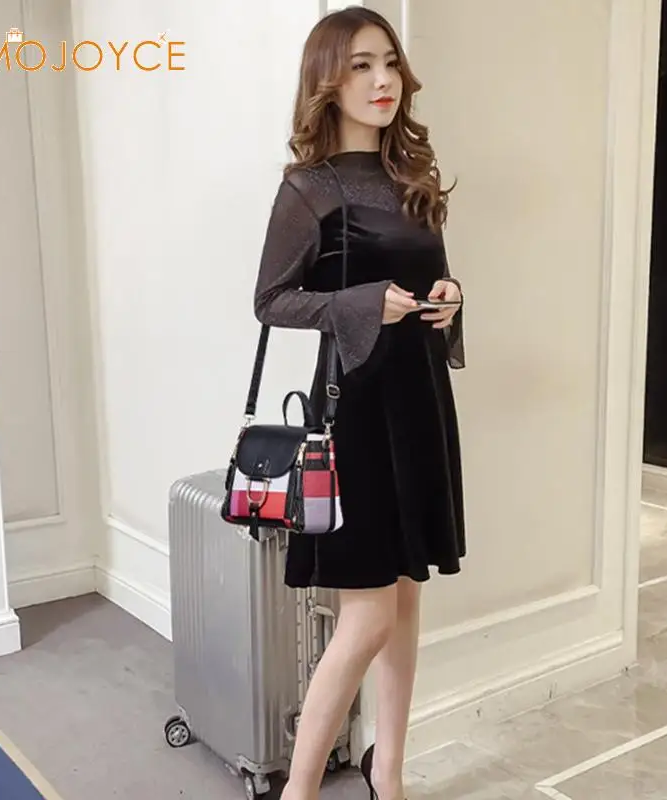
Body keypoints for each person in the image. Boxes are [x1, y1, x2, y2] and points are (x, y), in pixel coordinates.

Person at [253, 7, 466, 800]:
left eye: (389, 63)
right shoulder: (309, 190)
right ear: (328, 83)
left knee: (405, 599)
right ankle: (300, 792)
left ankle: (390, 772)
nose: (382, 81)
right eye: (361, 66)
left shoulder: (414, 181)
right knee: (369, 615)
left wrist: (450, 297)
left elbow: (431, 278)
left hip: (421, 402)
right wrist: (362, 301)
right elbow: (271, 300)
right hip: (357, 410)